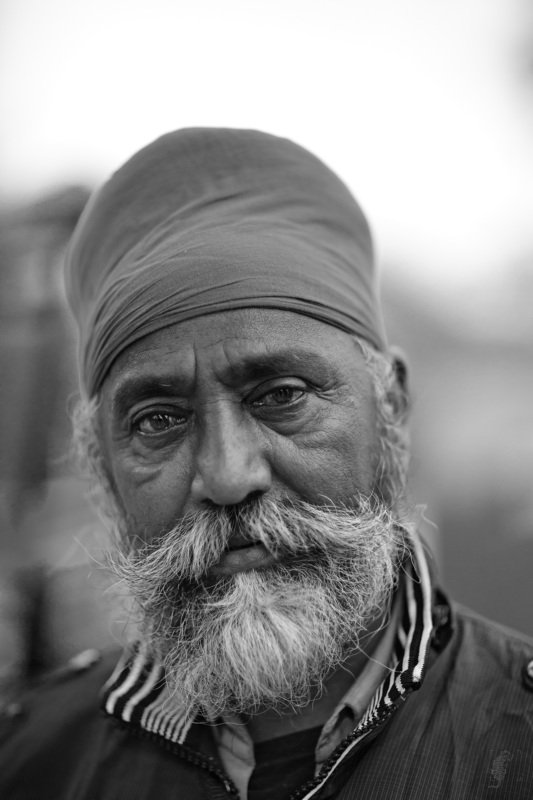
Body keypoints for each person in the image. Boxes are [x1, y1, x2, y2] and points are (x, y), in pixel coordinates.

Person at [1, 128, 532, 799]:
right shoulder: (33, 763)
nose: (226, 477)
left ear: (390, 406)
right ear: (99, 468)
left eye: (282, 397)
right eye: (158, 420)